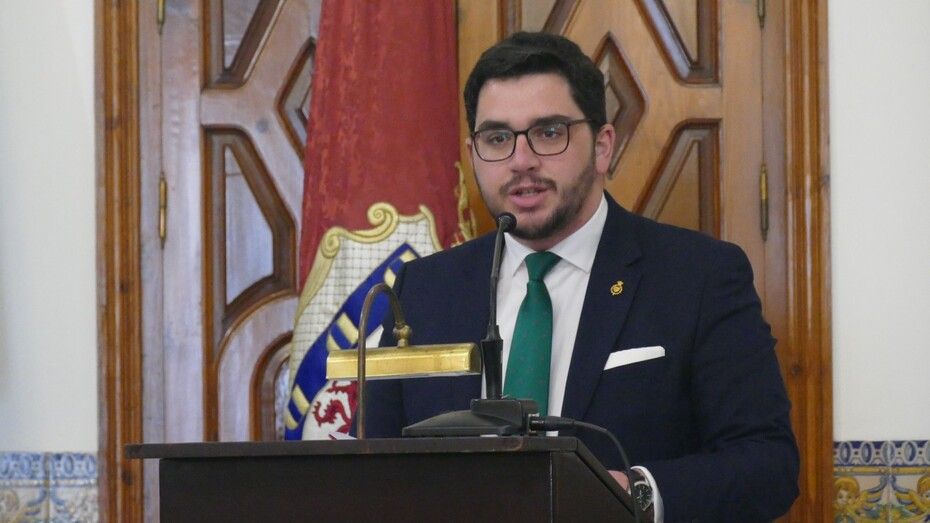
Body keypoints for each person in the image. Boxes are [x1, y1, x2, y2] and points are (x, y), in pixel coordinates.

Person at [362, 31, 799, 522]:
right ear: (473, 153)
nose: (521, 161)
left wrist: (633, 493)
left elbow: (768, 465)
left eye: (549, 132)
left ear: (602, 146)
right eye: (497, 138)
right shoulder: (423, 290)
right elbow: (371, 470)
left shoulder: (698, 277)